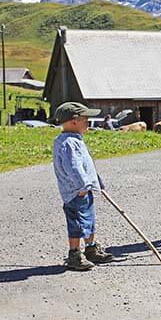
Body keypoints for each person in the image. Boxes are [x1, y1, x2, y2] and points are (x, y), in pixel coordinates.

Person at [52, 102, 115, 271]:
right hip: (76, 192)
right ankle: (74, 254)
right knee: (78, 224)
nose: (88, 121)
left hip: (83, 190)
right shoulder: (68, 143)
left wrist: (97, 181)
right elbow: (74, 168)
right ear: (73, 121)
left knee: (89, 221)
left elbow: (87, 165)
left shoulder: (74, 140)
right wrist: (83, 186)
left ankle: (91, 248)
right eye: (85, 119)